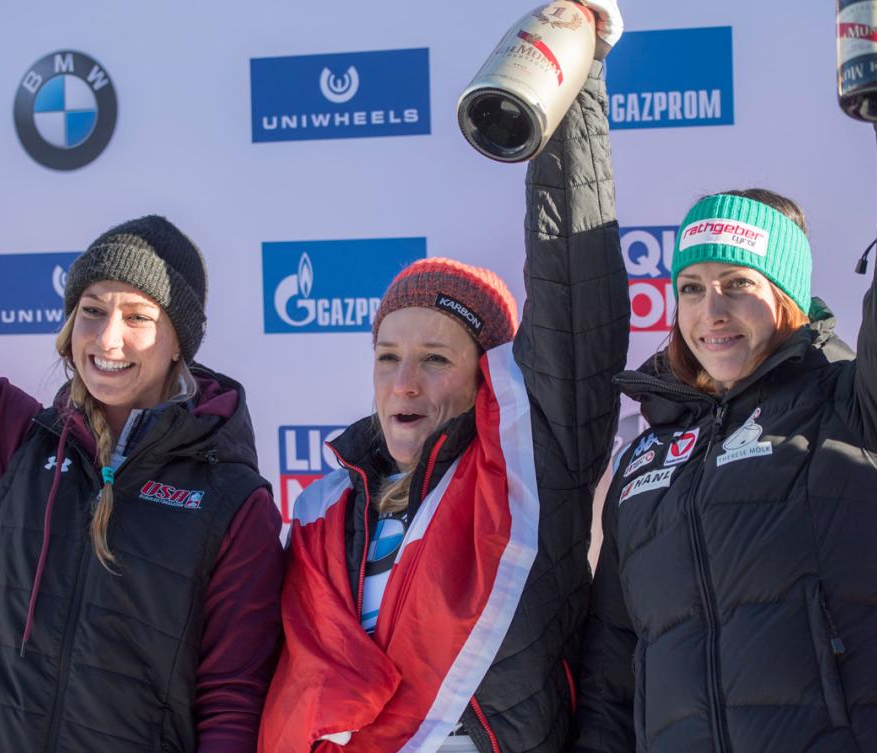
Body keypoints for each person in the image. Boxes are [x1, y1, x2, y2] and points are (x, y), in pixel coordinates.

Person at [0, 48, 283, 752]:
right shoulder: (10, 441)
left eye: (138, 316)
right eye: (93, 310)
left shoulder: (230, 500)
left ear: (178, 342)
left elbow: (230, 703)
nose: (109, 338)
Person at [574, 6, 877, 753]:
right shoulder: (646, 456)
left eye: (736, 284)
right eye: (690, 286)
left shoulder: (857, 406)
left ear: (784, 297)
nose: (709, 311)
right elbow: (615, 670)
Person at [258, 3, 629, 751]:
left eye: (435, 359)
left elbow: (575, 298)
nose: (404, 383)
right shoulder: (321, 512)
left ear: (485, 383)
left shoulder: (526, 471)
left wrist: (575, 79)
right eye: (388, 357)